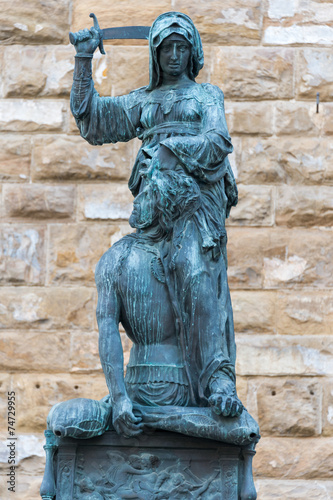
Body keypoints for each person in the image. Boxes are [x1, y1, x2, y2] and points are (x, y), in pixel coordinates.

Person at [70, 11, 242, 440]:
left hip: (196, 204)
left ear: (192, 52)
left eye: (182, 47)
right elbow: (93, 121)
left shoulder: (206, 96)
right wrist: (82, 60)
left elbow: (219, 141)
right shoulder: (143, 102)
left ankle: (218, 379)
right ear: (156, 52)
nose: (174, 55)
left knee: (195, 267)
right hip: (153, 203)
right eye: (167, 48)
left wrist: (172, 149)